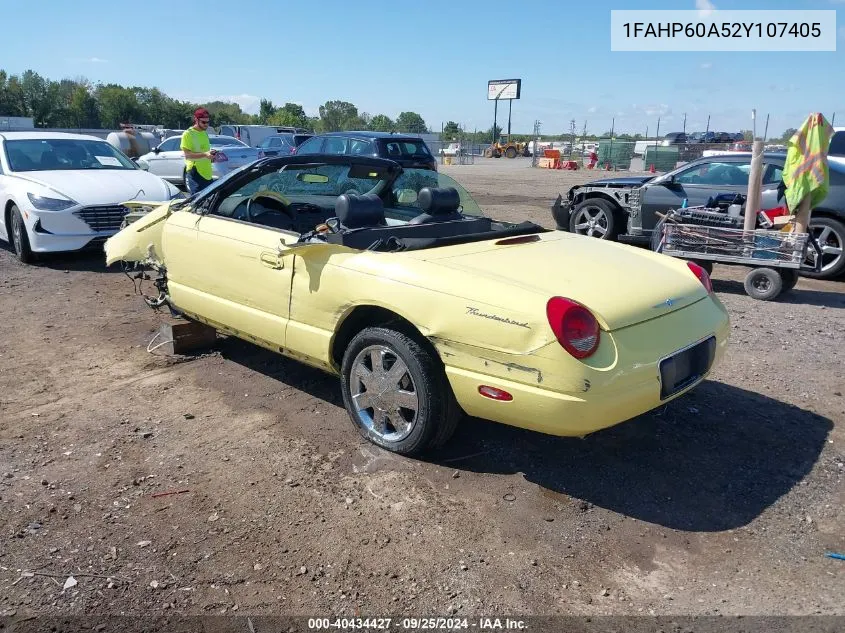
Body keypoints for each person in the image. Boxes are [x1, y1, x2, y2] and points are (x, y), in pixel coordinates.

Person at [181, 108, 216, 194]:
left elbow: (205, 151)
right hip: (195, 172)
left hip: (207, 173)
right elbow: (187, 155)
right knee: (197, 201)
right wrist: (205, 155)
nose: (206, 125)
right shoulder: (188, 134)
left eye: (208, 122)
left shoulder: (204, 133)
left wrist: (211, 156)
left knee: (210, 202)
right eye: (203, 122)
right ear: (196, 120)